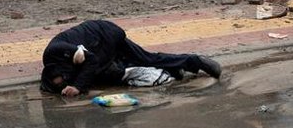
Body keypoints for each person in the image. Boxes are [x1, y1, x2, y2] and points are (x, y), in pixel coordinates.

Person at [40, 19, 222, 96]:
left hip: (104, 35)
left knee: (111, 72)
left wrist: (78, 87)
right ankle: (183, 65)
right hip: (102, 36)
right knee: (147, 58)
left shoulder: (57, 50)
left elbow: (92, 60)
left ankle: (190, 63)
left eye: (62, 80)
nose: (64, 82)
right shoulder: (54, 65)